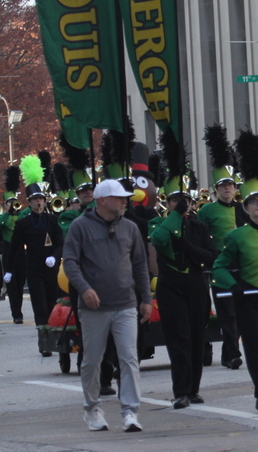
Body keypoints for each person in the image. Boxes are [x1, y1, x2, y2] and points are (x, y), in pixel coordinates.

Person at [62, 179, 152, 432]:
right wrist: (85, 288)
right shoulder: (80, 227)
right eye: (120, 197)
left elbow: (140, 265)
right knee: (92, 360)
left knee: (129, 357)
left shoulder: (131, 228)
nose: (126, 201)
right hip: (94, 308)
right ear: (103, 200)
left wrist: (146, 298)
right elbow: (70, 262)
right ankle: (92, 409)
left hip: (125, 304)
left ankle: (130, 411)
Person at [211, 129, 258, 417]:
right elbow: (219, 267)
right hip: (249, 298)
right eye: (253, 202)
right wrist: (235, 287)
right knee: (255, 349)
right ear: (246, 207)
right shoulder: (236, 237)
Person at [149, 133, 217, 409]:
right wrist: (175, 215)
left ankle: (194, 389)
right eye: (176, 200)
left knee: (197, 338)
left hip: (196, 284)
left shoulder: (199, 227)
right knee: (179, 339)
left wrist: (187, 245)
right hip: (171, 286)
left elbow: (210, 257)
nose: (182, 204)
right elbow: (160, 241)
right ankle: (180, 391)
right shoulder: (159, 223)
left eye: (184, 200)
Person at [198, 124, 247, 370]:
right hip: (219, 267)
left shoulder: (243, 209)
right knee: (226, 313)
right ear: (216, 189)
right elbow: (199, 236)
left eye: (231, 185)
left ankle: (229, 354)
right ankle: (233, 354)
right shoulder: (207, 210)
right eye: (223, 186)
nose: (228, 189)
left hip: (242, 266)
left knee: (239, 315)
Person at [6, 154, 64, 356]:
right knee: (39, 305)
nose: (39, 202)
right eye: (35, 199)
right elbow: (13, 248)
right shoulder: (23, 224)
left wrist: (55, 257)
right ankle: (45, 342)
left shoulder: (52, 220)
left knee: (51, 303)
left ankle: (54, 337)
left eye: (41, 199)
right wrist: (8, 271)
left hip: (51, 267)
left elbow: (60, 243)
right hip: (34, 268)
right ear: (29, 202)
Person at [2, 166, 23, 323]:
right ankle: (16, 314)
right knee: (12, 284)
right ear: (6, 205)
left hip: (21, 251)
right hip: (8, 250)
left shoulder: (22, 215)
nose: (12, 205)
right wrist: (10, 214)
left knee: (21, 282)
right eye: (10, 203)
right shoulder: (3, 218)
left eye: (14, 202)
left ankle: (19, 308)